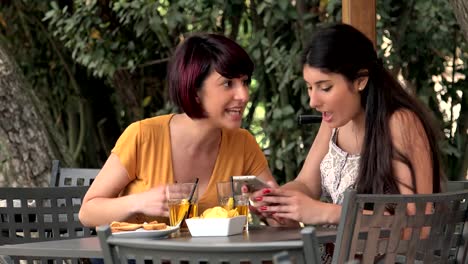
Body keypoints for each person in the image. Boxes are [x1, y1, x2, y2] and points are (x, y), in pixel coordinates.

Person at [252, 23, 444, 226]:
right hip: (335, 254)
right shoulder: (334, 122)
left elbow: (418, 223)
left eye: (325, 87)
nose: (313, 102)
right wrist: (276, 201)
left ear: (360, 80)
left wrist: (329, 213)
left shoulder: (400, 123)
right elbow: (307, 184)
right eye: (309, 87)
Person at [79, 33, 277, 227]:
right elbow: (87, 212)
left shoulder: (243, 143)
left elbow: (284, 221)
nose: (243, 95)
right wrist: (139, 201)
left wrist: (271, 211)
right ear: (195, 91)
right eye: (228, 83)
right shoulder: (143, 136)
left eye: (245, 82)